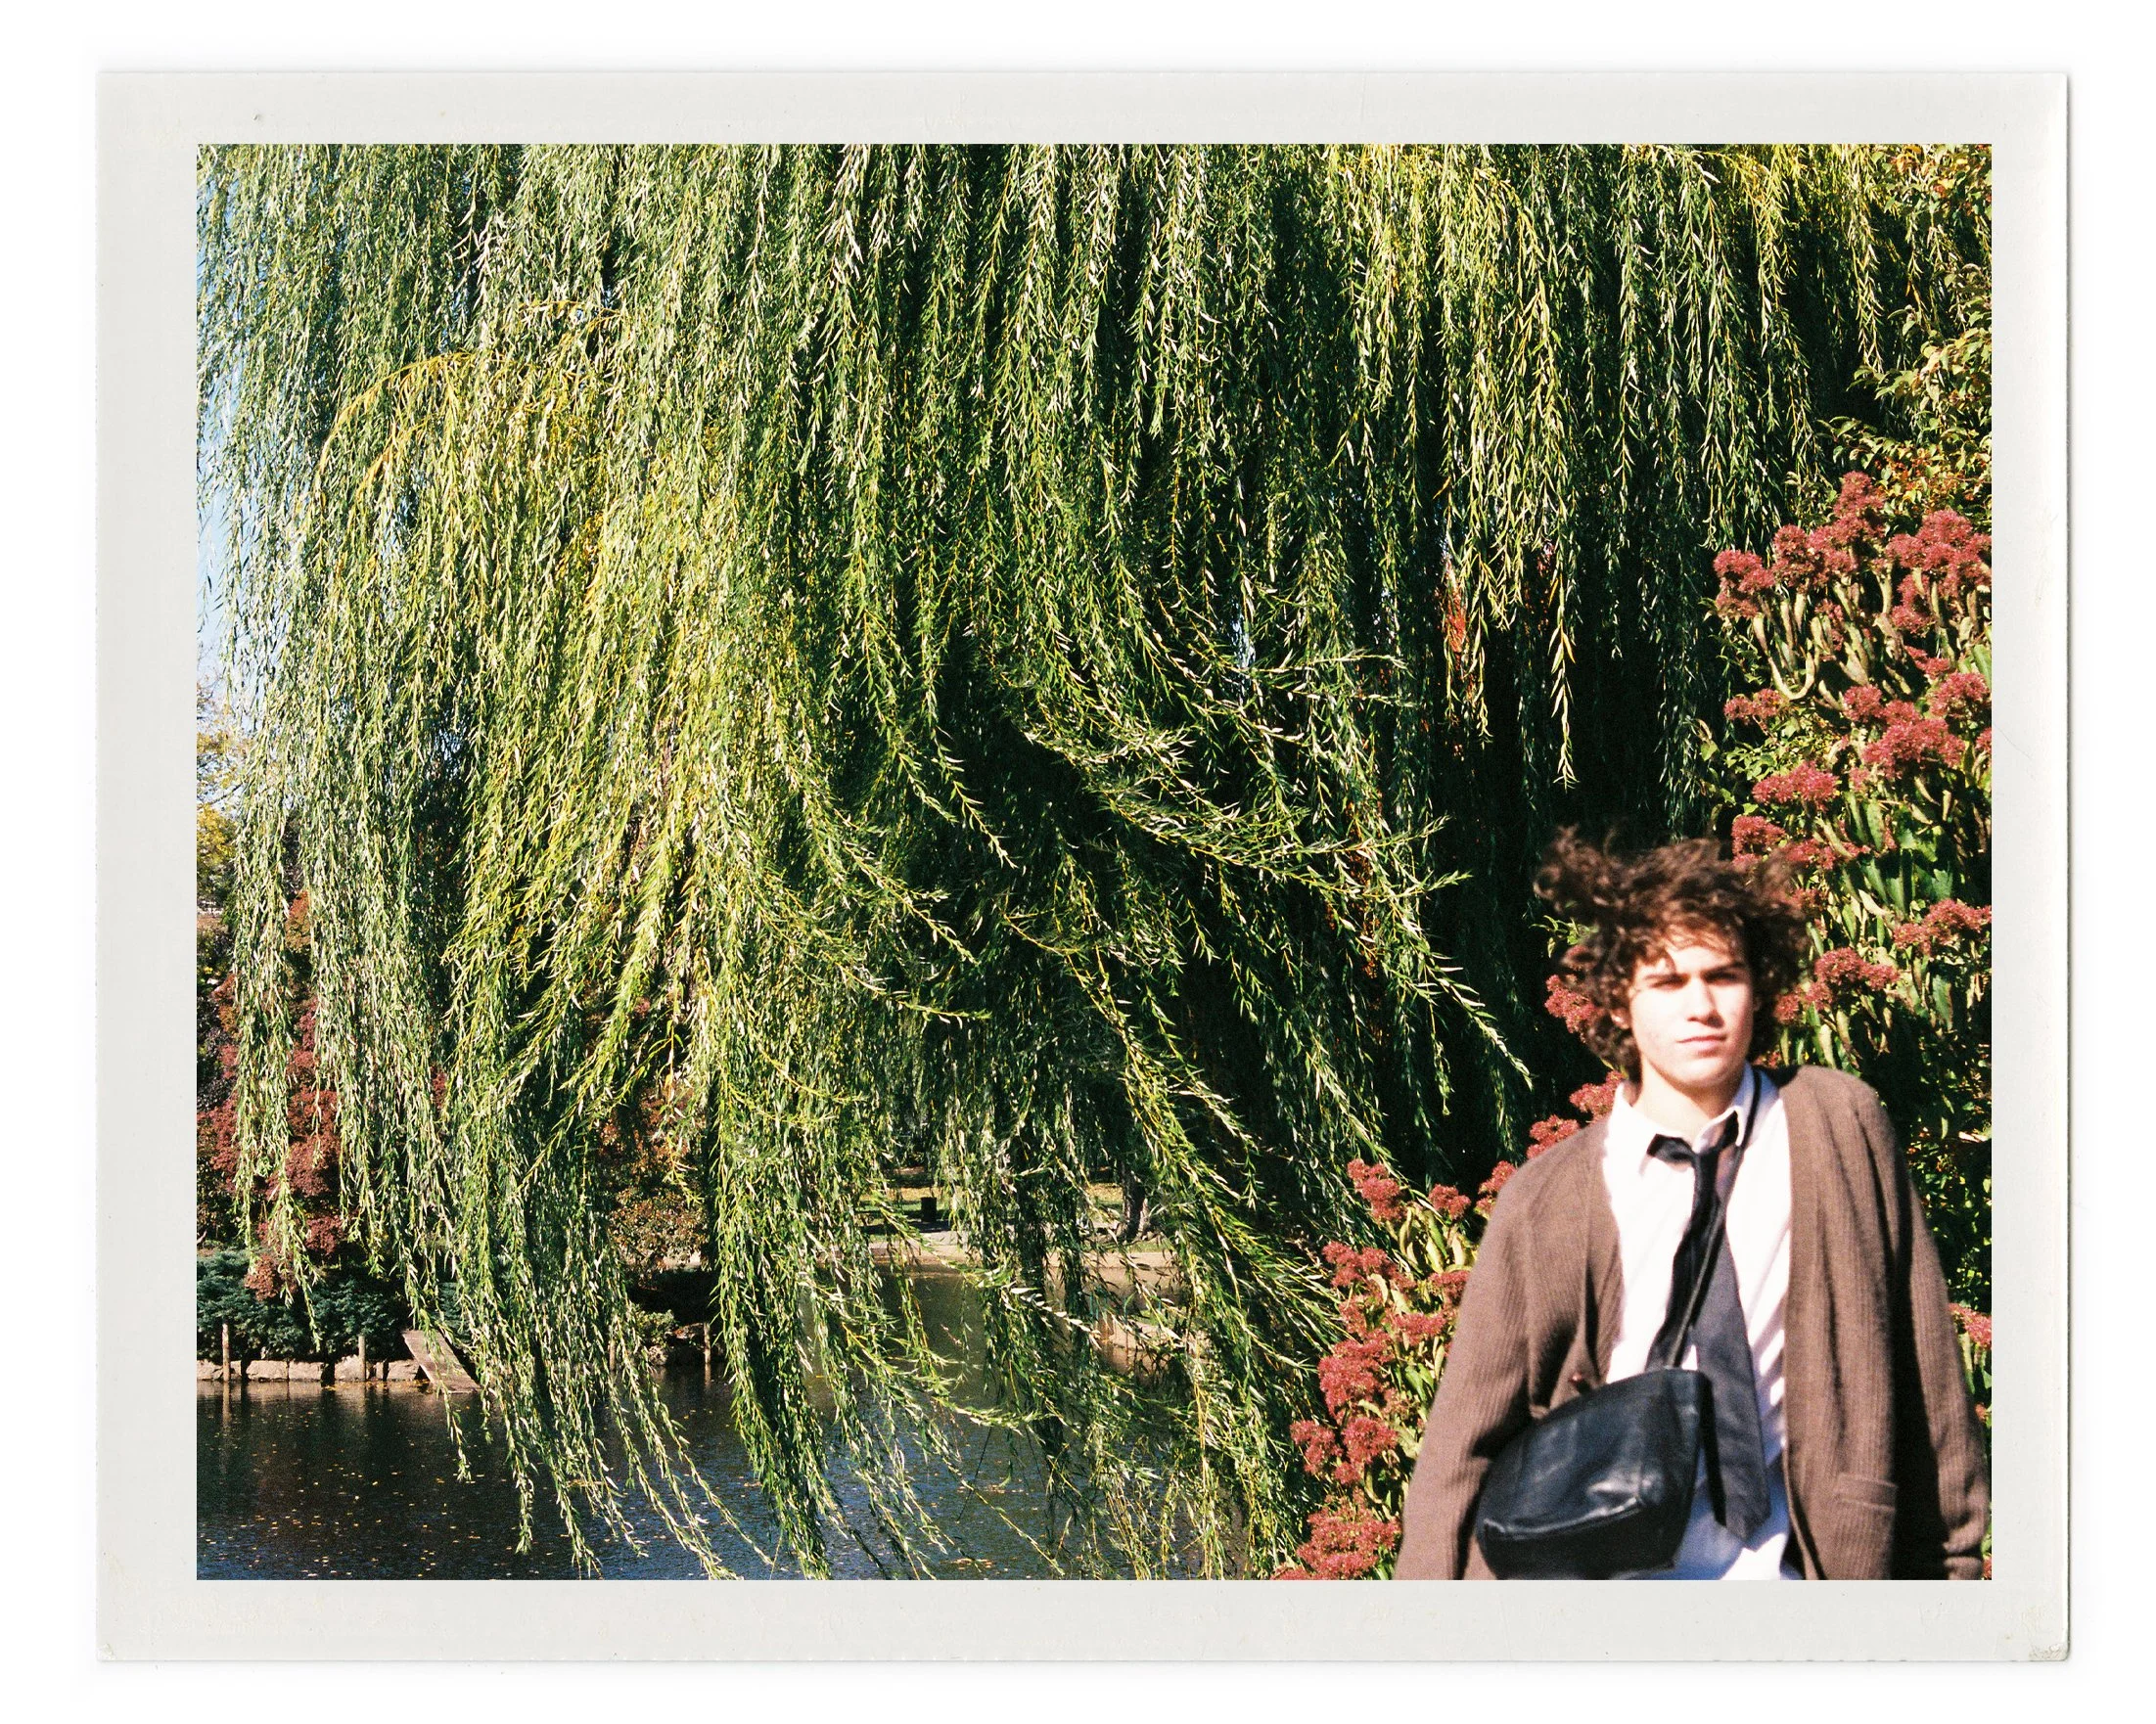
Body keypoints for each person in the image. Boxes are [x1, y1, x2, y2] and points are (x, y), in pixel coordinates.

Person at [1394, 832, 1988, 1579]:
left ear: (1757, 986)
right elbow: (1461, 1445)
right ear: (1618, 998)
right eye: (1668, 983)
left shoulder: (1837, 1128)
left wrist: (1952, 1582)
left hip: (1807, 1593)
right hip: (1600, 1615)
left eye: (1724, 976)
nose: (1701, 1006)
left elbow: (1927, 1378)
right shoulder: (1545, 1201)